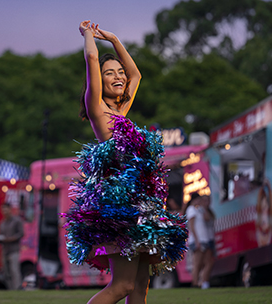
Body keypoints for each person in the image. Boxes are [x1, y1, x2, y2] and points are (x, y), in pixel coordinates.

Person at [62, 21, 188, 304]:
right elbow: (92, 58)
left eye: (119, 72)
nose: (118, 76)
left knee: (140, 287)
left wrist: (115, 39)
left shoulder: (120, 110)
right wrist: (89, 36)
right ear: (98, 80)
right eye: (109, 74)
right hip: (118, 208)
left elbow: (136, 75)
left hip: (140, 206)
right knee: (123, 285)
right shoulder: (97, 107)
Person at [183, 193, 214, 289]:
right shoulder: (191, 210)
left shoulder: (198, 210)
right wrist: (197, 240)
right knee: (197, 263)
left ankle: (203, 282)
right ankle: (195, 283)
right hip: (198, 240)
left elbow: (208, 219)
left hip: (203, 239)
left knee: (207, 262)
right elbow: (192, 226)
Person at [0, 203, 24, 290]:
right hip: (5, 250)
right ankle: (10, 289)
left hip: (14, 249)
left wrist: (10, 239)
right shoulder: (3, 223)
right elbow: (0, 234)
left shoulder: (16, 221)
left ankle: (17, 287)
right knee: (6, 272)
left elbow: (21, 234)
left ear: (10, 209)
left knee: (14, 270)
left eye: (6, 209)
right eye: (3, 210)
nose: (4, 211)